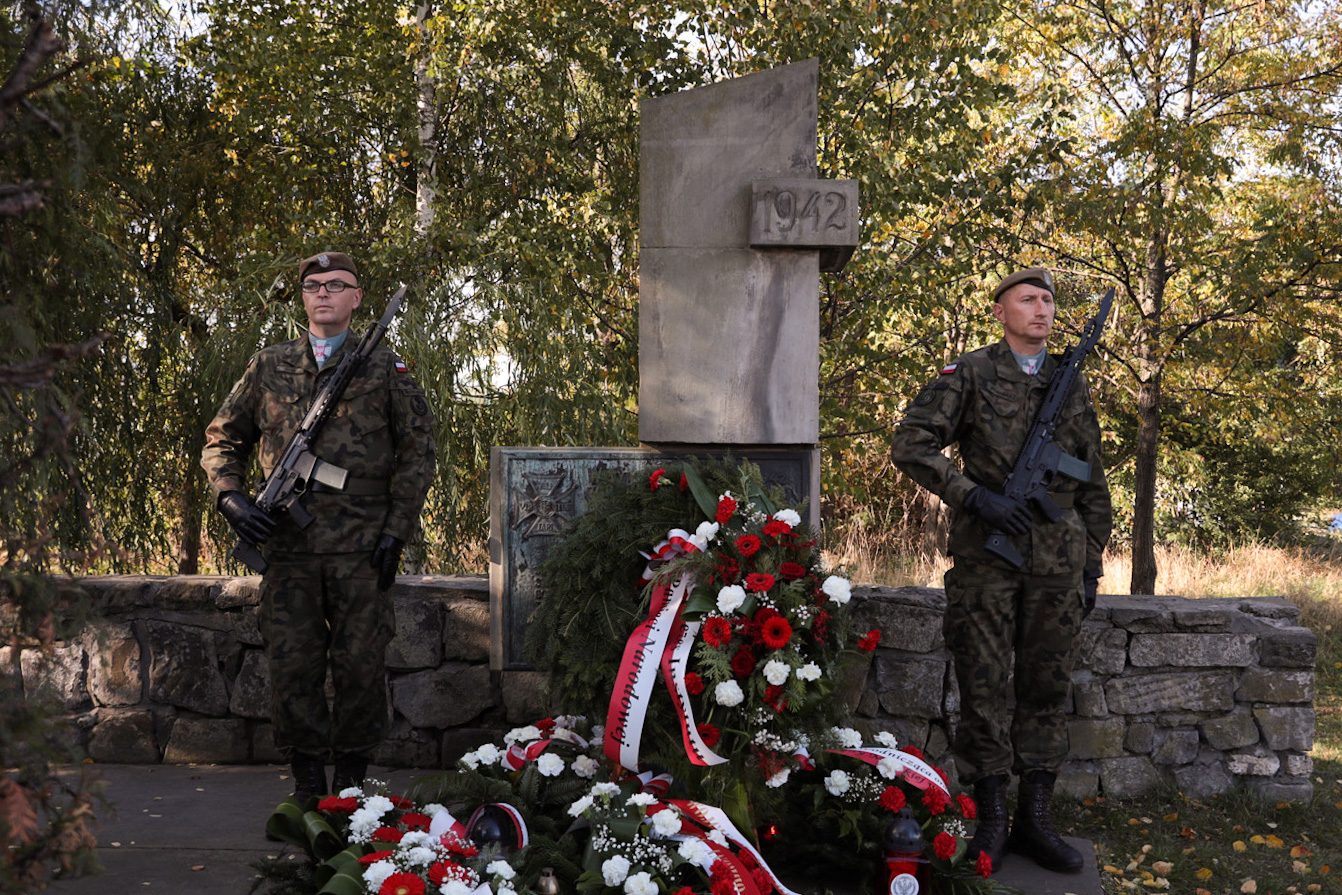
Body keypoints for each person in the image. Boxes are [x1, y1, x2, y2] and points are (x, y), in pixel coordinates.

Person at [888, 267, 1111, 875]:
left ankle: (1036, 821)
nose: (1042, 309)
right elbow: (911, 443)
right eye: (1027, 299)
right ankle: (990, 819)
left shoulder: (1070, 381)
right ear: (1000, 311)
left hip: (1059, 563)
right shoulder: (971, 372)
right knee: (982, 687)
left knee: (1047, 689)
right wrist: (974, 496)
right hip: (988, 560)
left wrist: (1091, 564)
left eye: (1048, 300)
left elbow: (1091, 476)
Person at [201, 251, 436, 804]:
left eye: (335, 284)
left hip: (361, 549)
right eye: (312, 285)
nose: (323, 292)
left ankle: (351, 787)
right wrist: (231, 497)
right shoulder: (269, 364)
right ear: (303, 298)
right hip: (289, 549)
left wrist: (396, 531)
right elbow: (222, 438)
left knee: (360, 667)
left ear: (357, 298)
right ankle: (308, 784)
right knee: (293, 668)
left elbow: (418, 454)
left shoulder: (385, 368)